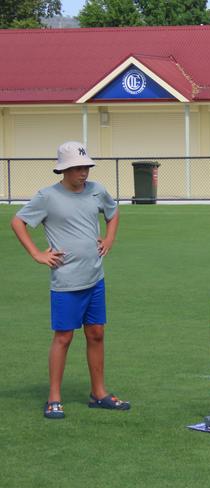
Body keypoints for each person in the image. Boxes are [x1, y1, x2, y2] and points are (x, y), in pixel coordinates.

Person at [11, 141, 130, 419]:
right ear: (63, 169)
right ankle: (54, 398)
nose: (83, 172)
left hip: (95, 278)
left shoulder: (97, 191)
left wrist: (109, 238)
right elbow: (18, 222)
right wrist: (37, 254)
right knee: (64, 337)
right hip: (66, 282)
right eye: (77, 168)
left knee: (96, 334)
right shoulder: (47, 197)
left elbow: (112, 214)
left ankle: (98, 393)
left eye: (86, 166)